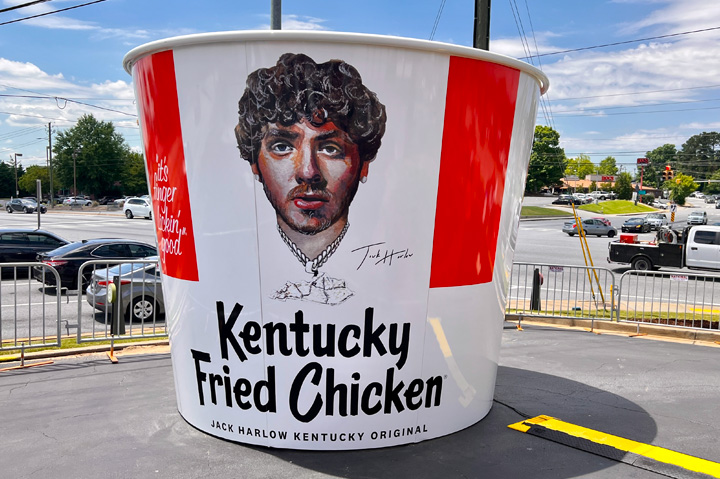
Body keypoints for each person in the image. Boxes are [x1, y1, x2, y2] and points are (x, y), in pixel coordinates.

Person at [235, 53, 387, 276]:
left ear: (364, 163)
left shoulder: (380, 256)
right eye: (281, 146)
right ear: (255, 164)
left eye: (330, 149)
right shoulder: (238, 259)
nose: (308, 172)